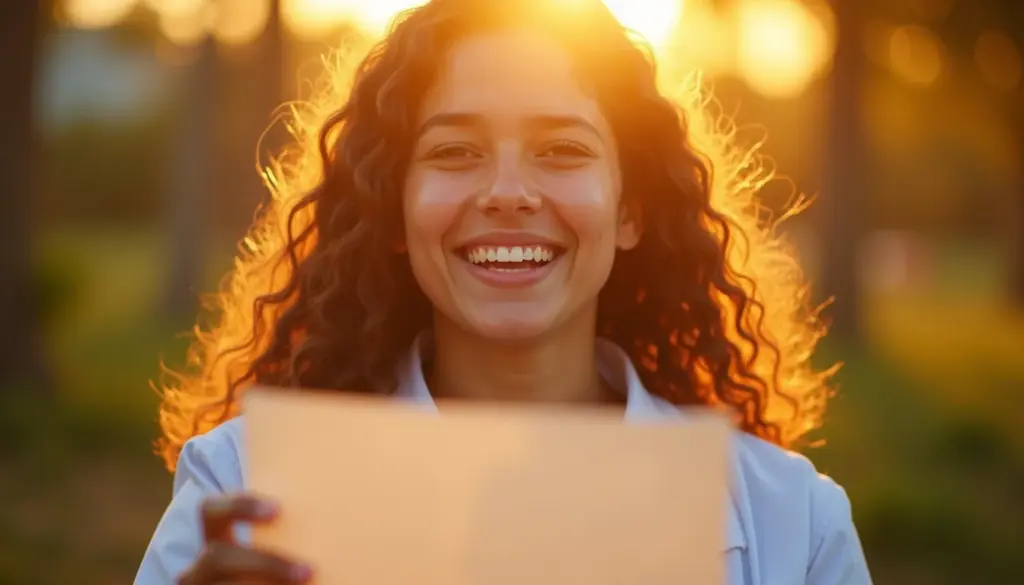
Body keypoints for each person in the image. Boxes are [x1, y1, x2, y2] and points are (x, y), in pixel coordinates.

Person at [135, 0, 871, 583]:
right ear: (394, 210)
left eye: (562, 150)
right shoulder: (240, 491)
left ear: (629, 210)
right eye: (455, 152)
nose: (509, 193)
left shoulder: (795, 524)